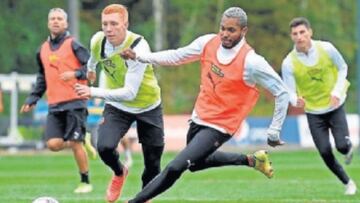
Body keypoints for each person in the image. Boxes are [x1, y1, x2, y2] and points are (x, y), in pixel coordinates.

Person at [120, 7, 289, 203]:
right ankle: (251, 160)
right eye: (222, 28)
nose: (225, 34)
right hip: (200, 116)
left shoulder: (252, 62)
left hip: (221, 126)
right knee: (195, 164)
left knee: (176, 166)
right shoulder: (207, 42)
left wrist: (274, 130)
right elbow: (177, 56)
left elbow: (282, 92)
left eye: (231, 30)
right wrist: (140, 57)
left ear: (244, 31)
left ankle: (135, 201)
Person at [74, 4, 165, 203]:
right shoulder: (98, 40)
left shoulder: (138, 47)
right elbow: (93, 58)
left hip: (148, 106)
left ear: (125, 24)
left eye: (114, 23)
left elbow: (130, 93)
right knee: (104, 146)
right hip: (118, 107)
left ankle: (143, 198)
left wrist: (92, 91)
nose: (108, 28)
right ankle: (119, 171)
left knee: (152, 162)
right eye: (105, 24)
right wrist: (90, 70)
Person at [20, 8, 94, 194]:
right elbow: (42, 77)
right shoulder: (42, 50)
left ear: (66, 23)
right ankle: (82, 139)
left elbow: (91, 69)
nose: (55, 21)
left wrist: (76, 73)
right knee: (53, 144)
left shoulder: (74, 45)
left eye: (59, 18)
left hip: (76, 101)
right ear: (48, 23)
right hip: (54, 104)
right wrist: (33, 98)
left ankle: (85, 181)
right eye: (52, 18)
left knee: (75, 144)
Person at [281, 17, 356, 195]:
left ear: (310, 32)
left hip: (335, 106)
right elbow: (289, 91)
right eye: (295, 34)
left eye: (302, 32)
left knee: (342, 147)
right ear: (291, 37)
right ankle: (348, 183)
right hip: (313, 111)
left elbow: (343, 67)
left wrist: (337, 92)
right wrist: (295, 100)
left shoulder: (327, 49)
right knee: (324, 151)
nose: (299, 37)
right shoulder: (288, 63)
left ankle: (348, 148)